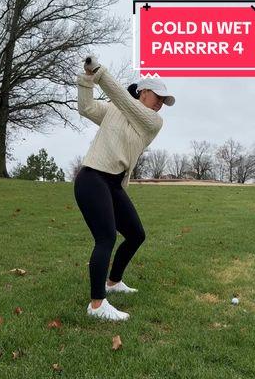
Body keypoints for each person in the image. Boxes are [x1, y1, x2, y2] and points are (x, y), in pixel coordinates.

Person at [74, 56, 175, 321]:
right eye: (158, 96)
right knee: (105, 237)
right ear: (143, 91)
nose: (160, 104)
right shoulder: (115, 110)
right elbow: (85, 108)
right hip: (93, 178)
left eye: (164, 101)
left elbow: (122, 100)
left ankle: (113, 282)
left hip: (113, 184)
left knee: (136, 234)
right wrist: (87, 79)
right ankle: (97, 305)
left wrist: (100, 72)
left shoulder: (152, 122)